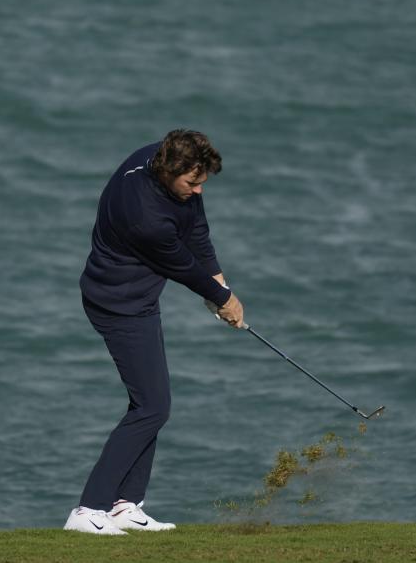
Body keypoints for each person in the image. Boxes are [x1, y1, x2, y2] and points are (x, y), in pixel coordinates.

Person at [63, 129, 245, 535]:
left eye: (202, 183)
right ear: (168, 171)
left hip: (138, 301)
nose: (198, 192)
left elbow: (196, 230)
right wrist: (222, 298)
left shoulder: (160, 162)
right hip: (118, 305)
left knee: (147, 403)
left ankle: (125, 505)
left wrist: (220, 283)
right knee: (153, 407)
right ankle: (88, 510)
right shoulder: (146, 217)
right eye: (192, 183)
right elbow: (181, 265)